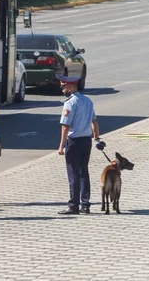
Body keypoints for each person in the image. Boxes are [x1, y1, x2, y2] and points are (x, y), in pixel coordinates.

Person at [56, 74, 102, 215]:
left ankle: (73, 205)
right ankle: (85, 204)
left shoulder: (70, 103)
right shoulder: (87, 101)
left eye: (64, 87)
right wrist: (97, 138)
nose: (63, 89)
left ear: (71, 87)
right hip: (86, 141)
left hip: (74, 141)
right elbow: (94, 121)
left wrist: (61, 145)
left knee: (73, 173)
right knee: (84, 173)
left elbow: (65, 126)